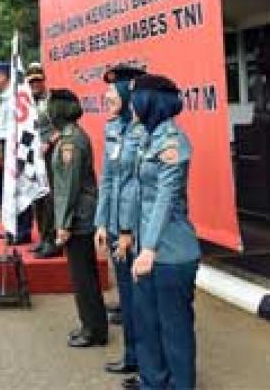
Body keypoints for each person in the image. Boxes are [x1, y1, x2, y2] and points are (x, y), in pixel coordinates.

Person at [129, 74, 200, 390]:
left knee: (174, 330)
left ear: (149, 101)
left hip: (170, 252)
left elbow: (165, 199)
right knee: (147, 324)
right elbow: (139, 195)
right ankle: (152, 383)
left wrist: (148, 250)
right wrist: (130, 236)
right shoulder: (147, 136)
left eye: (136, 98)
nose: (131, 105)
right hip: (147, 249)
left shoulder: (173, 141)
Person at [94, 65, 147, 386]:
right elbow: (109, 178)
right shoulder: (113, 128)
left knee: (140, 299)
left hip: (136, 230)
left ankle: (148, 363)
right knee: (126, 296)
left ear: (129, 93)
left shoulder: (144, 131)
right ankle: (132, 355)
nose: (107, 97)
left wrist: (127, 230)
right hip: (115, 227)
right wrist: (103, 222)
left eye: (113, 92)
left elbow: (140, 186)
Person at [50, 88, 108, 348]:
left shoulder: (70, 142)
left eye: (52, 108)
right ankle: (91, 325)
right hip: (81, 213)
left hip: (78, 216)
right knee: (84, 275)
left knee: (83, 276)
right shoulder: (68, 137)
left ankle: (93, 330)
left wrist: (63, 224)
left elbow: (68, 186)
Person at [0, 61, 33, 243]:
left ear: (4, 76)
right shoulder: (6, 97)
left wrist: (0, 152)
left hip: (16, 149)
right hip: (9, 148)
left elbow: (10, 129)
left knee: (20, 189)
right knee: (9, 190)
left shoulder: (15, 97)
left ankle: (22, 231)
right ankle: (12, 227)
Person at [27, 63, 60, 258]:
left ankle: (53, 241)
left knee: (50, 199)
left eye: (38, 80)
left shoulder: (53, 101)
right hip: (33, 157)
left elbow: (64, 126)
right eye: (31, 81)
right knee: (37, 198)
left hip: (50, 153)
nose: (35, 84)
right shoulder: (27, 103)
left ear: (44, 80)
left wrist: (48, 142)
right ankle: (43, 237)